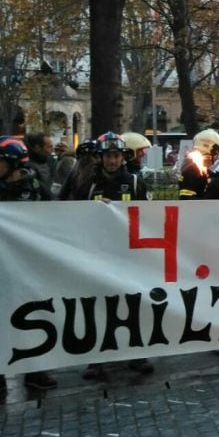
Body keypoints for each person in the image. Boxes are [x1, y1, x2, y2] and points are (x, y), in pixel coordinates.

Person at [0, 137, 57, 401]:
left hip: (28, 270)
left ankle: (35, 372)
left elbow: (60, 219)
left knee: (32, 320)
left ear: (13, 163)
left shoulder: (37, 191)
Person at [79, 133, 154, 380]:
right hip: (98, 255)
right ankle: (96, 359)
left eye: (116, 156)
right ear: (100, 158)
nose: (112, 161)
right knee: (98, 307)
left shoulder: (134, 183)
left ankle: (136, 354)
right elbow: (70, 213)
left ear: (122, 157)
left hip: (128, 255)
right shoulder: (88, 184)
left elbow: (150, 216)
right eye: (108, 156)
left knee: (132, 304)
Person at [179, 129, 219, 200]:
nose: (218, 156)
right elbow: (187, 199)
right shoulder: (193, 170)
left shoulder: (200, 167)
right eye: (217, 152)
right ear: (211, 151)